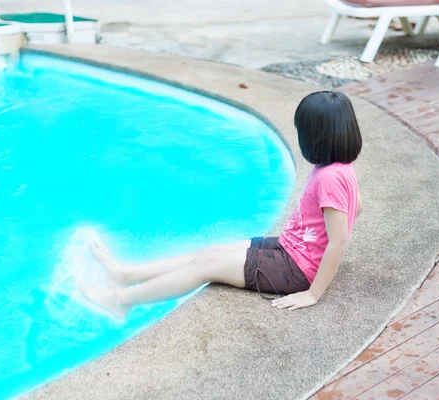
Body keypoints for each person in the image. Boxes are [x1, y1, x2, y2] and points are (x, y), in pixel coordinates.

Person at [79, 91, 363, 319]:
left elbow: (339, 241)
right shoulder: (341, 166)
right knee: (209, 252)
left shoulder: (329, 177)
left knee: (208, 265)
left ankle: (122, 300)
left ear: (314, 137)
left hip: (297, 269)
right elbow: (356, 207)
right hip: (290, 248)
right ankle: (126, 275)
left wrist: (313, 293)